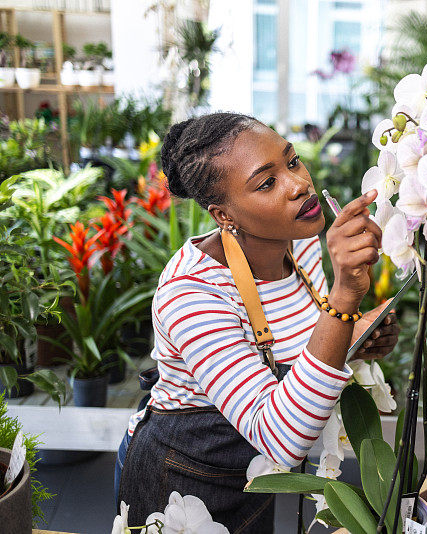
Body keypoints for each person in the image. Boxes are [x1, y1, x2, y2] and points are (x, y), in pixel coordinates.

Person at [115, 112, 399, 532]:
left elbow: (306, 344)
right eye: (267, 182)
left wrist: (354, 335)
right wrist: (343, 299)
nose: (298, 183)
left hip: (255, 481)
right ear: (223, 215)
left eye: (293, 161)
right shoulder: (192, 293)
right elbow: (282, 439)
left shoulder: (298, 246)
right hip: (180, 483)